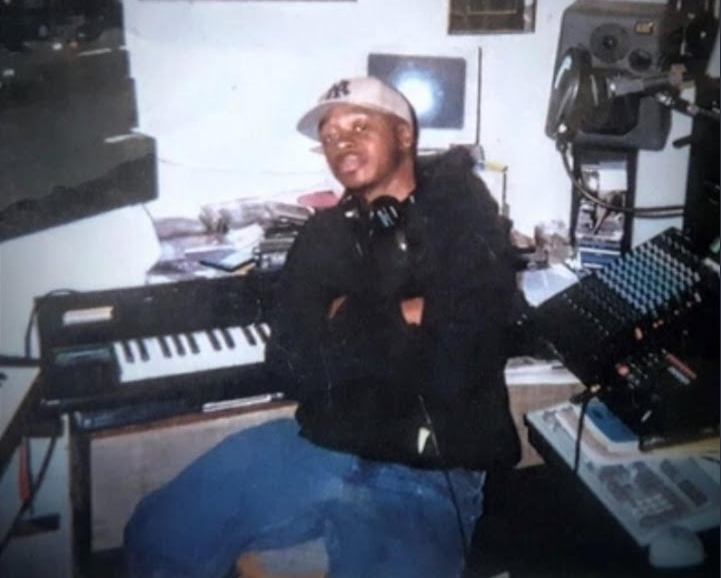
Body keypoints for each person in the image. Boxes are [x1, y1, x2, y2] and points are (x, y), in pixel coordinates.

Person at [123, 76, 522, 577]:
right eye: (330, 137)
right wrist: (406, 315)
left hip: (428, 472)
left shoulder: (465, 214)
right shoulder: (323, 235)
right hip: (322, 445)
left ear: (404, 135)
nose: (342, 144)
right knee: (157, 531)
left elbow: (457, 361)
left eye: (359, 127)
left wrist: (346, 323)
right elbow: (289, 364)